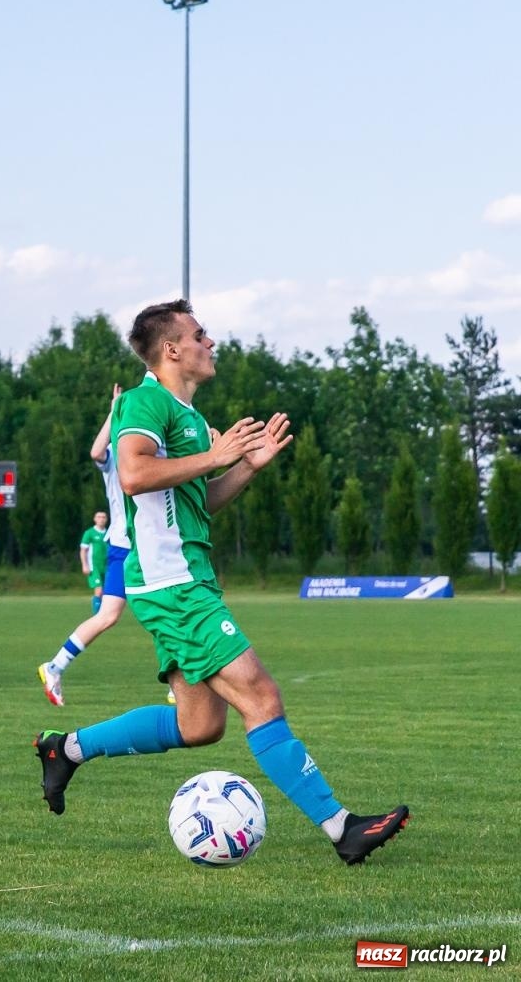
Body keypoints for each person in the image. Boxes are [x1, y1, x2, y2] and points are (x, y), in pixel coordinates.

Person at [33, 300, 409, 866]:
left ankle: (67, 749)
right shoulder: (144, 401)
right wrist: (214, 452)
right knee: (261, 694)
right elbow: (132, 474)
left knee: (200, 725)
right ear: (171, 349)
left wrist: (243, 468)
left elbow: (198, 503)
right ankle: (343, 829)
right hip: (171, 585)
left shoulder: (185, 416)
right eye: (199, 334)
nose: (211, 343)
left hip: (186, 581)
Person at [39, 386, 131, 706]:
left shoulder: (156, 451)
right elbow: (95, 452)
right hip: (127, 547)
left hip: (140, 548)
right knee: (160, 609)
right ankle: (180, 682)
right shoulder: (116, 456)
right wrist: (114, 409)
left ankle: (55, 666)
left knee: (112, 615)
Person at [79, 510, 108, 615]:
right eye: (99, 517)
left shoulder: (108, 533)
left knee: (106, 592)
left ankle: (103, 613)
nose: (101, 519)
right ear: (95, 519)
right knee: (99, 590)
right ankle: (97, 615)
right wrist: (84, 565)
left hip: (106, 566)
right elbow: (83, 550)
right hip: (94, 566)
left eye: (104, 517)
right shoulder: (89, 533)